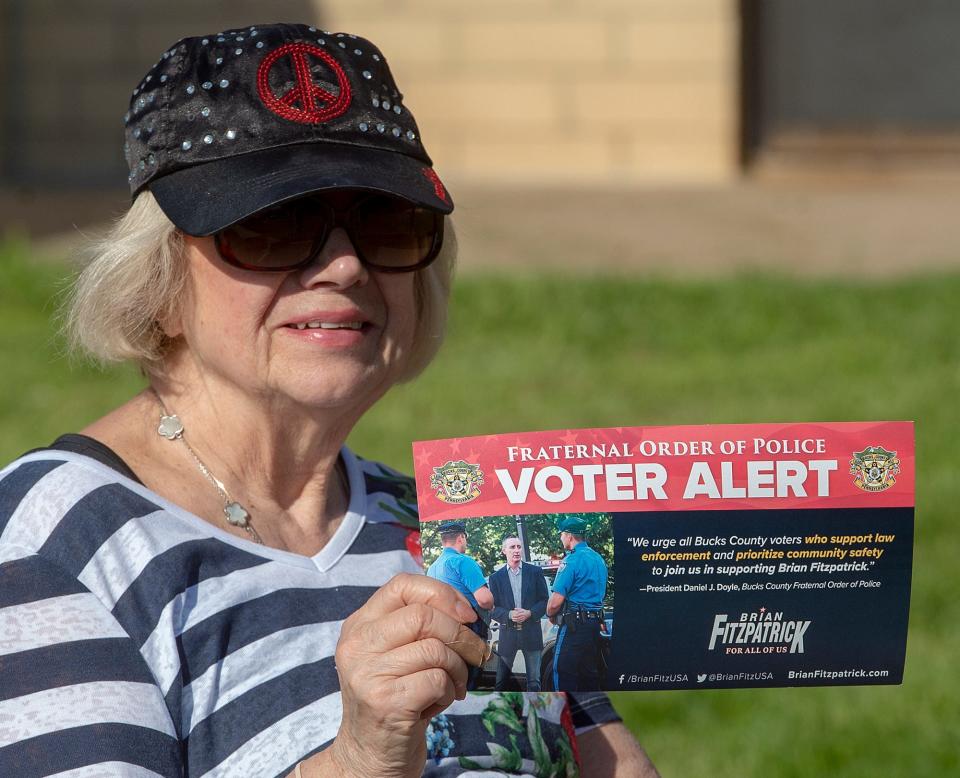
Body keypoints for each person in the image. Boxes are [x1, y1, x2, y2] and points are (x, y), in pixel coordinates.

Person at [0, 23, 659, 778]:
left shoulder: (450, 532)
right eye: (276, 226)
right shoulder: (56, 538)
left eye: (385, 222)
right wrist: (359, 757)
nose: (344, 265)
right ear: (158, 284)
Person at [425, 521, 494, 688]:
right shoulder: (462, 561)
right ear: (461, 538)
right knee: (470, 679)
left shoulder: (432, 568)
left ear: (443, 541)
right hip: (469, 629)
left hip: (442, 629)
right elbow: (485, 600)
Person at [546, 517, 610, 692]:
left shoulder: (571, 561)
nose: (561, 539)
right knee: (588, 674)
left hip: (574, 625)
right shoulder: (598, 559)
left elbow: (555, 602)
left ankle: (566, 715)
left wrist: (551, 615)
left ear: (569, 536)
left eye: (562, 535)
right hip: (594, 625)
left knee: (563, 670)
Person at [489, 536, 549, 691]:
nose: (516, 550)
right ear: (504, 551)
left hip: (531, 633)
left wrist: (530, 613)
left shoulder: (535, 572)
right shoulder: (495, 578)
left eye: (518, 547)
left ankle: (534, 712)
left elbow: (544, 601)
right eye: (512, 547)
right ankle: (499, 713)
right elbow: (492, 608)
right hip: (508, 634)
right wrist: (509, 615)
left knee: (534, 682)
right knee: (501, 682)